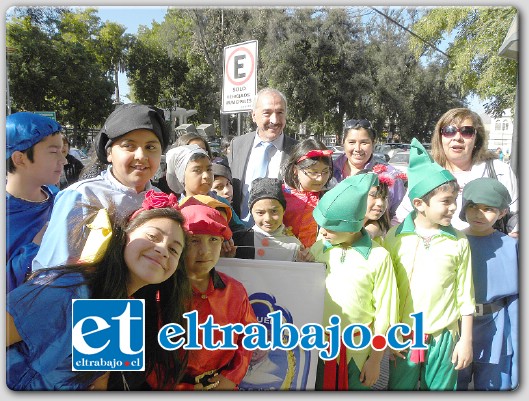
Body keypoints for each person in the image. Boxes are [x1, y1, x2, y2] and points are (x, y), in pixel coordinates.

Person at [7, 190, 190, 390]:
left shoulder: (124, 309)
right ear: (123, 236)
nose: (163, 249)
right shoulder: (67, 290)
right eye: (153, 236)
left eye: (174, 249)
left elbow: (97, 384)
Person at [383, 138, 475, 391]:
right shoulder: (395, 239)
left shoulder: (458, 241)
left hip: (443, 336)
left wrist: (465, 340)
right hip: (403, 335)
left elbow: (465, 295)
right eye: (445, 201)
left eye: (455, 199)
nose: (454, 207)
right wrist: (389, 332)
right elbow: (386, 291)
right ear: (419, 204)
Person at [32, 103, 169, 270]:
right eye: (129, 146)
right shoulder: (81, 196)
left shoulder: (162, 199)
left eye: (150, 147)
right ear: (109, 152)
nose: (141, 156)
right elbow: (52, 272)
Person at [148, 202, 257, 390]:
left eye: (213, 240)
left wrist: (230, 378)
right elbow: (146, 351)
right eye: (194, 240)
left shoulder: (235, 290)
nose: (205, 251)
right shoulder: (158, 291)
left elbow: (248, 337)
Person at [310, 173, 399, 390]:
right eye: (321, 225)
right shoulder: (318, 248)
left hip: (359, 354)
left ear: (352, 227)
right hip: (320, 350)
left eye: (330, 228)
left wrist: (376, 360)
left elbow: (385, 313)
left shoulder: (378, 257)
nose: (322, 232)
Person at [395, 108, 519, 237]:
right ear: (440, 137)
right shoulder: (426, 172)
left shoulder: (498, 170)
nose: (457, 137)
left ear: (477, 138)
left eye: (467, 131)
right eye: (449, 131)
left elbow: (516, 212)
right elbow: (403, 216)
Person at [456, 178, 518, 391]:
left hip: (496, 327)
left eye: (488, 209)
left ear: (502, 213)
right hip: (457, 326)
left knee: (494, 386)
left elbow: (516, 302)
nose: (479, 214)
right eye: (473, 207)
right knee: (453, 384)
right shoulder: (452, 243)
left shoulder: (511, 247)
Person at [6, 112, 67, 293]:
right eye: (53, 152)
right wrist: (36, 247)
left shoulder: (61, 199)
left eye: (62, 152)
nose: (63, 160)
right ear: (20, 158)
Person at [228, 88, 298, 226]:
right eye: (267, 113)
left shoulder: (297, 150)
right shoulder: (238, 145)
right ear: (253, 115)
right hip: (240, 238)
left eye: (280, 113)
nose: (274, 120)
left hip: (281, 238)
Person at [332, 118, 406, 219]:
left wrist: (377, 229)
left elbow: (400, 216)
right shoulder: (328, 171)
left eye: (364, 143)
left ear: (373, 143)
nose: (357, 149)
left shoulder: (390, 175)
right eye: (352, 142)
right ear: (343, 143)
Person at [165, 143, 245, 234]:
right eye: (197, 170)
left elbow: (239, 230)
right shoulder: (178, 208)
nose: (206, 176)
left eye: (209, 169)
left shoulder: (221, 203)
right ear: (181, 176)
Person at [232, 178, 312, 262]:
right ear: (251, 213)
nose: (268, 219)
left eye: (274, 211)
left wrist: (303, 262)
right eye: (260, 213)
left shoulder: (294, 246)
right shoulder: (238, 240)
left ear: (284, 211)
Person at [281, 138, 333, 248]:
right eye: (313, 172)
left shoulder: (331, 198)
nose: (320, 179)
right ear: (295, 170)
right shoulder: (280, 196)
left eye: (325, 171)